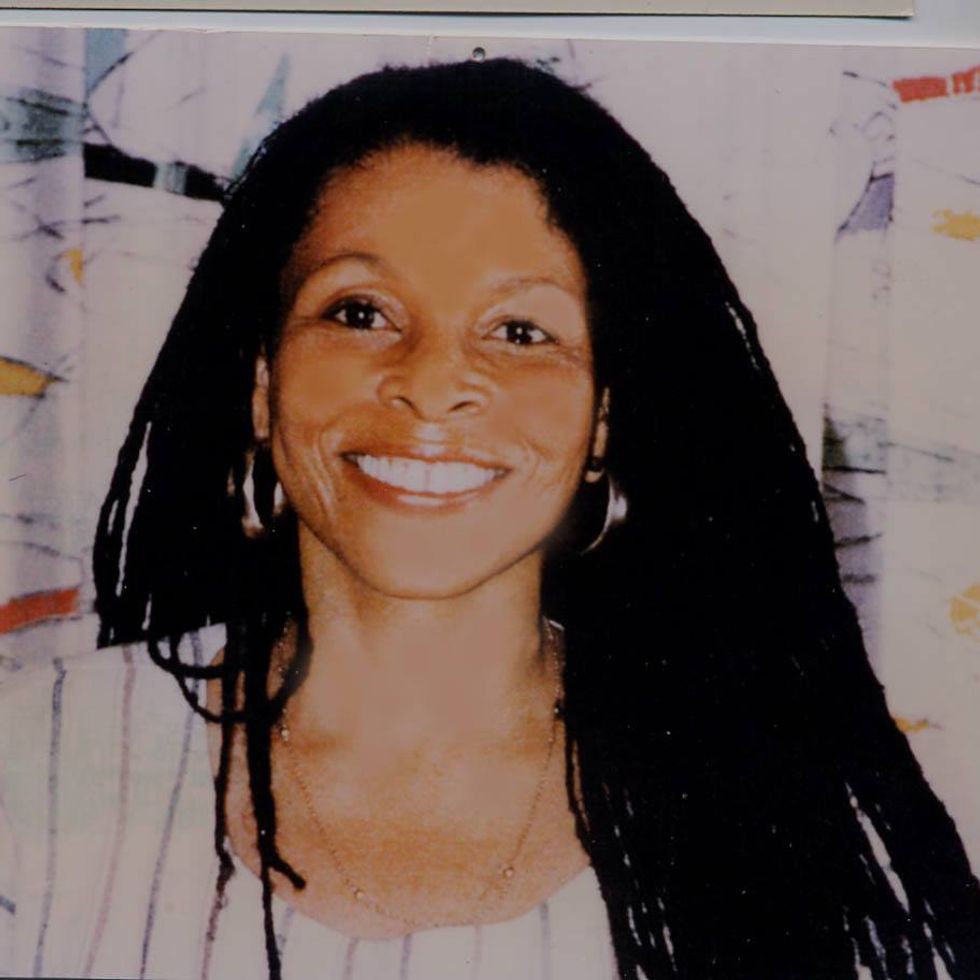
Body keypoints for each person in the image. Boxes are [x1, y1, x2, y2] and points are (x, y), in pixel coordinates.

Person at [1, 57, 978, 980]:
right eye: (360, 311)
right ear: (263, 383)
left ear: (601, 419)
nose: (431, 385)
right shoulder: (31, 759)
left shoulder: (788, 822)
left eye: (520, 330)